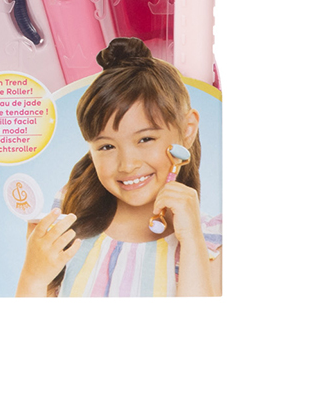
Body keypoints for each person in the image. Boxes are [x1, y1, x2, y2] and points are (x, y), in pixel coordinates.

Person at [16, 38, 221, 297]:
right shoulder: (70, 217)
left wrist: (192, 239)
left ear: (188, 129)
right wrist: (33, 277)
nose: (127, 165)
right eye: (106, 146)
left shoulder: (211, 240)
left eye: (145, 139)